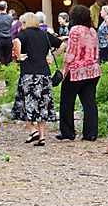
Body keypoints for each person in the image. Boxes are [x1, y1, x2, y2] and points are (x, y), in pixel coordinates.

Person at [11, 12, 66, 147]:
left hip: (29, 75)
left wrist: (19, 55)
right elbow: (62, 44)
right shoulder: (44, 34)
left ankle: (32, 130)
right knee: (42, 107)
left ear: (25, 23)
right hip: (44, 76)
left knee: (23, 105)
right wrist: (52, 58)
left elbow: (16, 41)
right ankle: (41, 137)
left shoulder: (24, 34)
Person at [57, 5, 102, 142]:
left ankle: (68, 132)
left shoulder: (75, 30)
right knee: (89, 103)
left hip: (77, 70)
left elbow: (71, 51)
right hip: (93, 70)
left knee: (67, 101)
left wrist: (64, 68)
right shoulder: (92, 31)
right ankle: (90, 133)